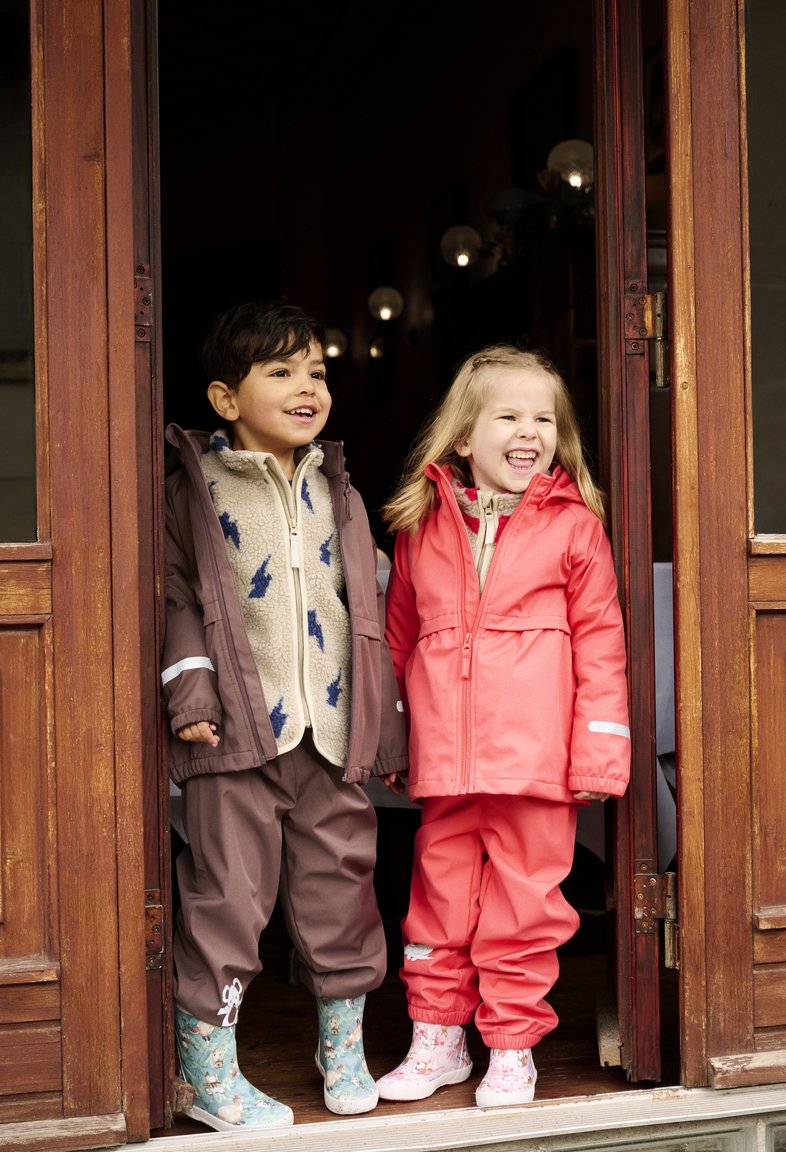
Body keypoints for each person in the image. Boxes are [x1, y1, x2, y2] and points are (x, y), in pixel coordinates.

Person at [161, 299, 407, 1132]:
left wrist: (388, 720)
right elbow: (176, 602)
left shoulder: (338, 491)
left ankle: (343, 1049)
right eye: (282, 371)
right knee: (229, 896)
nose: (308, 386)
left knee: (343, 890)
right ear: (226, 398)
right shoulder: (194, 491)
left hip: (328, 733)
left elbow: (368, 610)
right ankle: (209, 1069)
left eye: (319, 372)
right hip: (236, 732)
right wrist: (190, 695)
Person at [374, 344, 631, 1109]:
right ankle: (438, 1040)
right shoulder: (420, 528)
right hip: (449, 763)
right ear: (461, 436)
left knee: (526, 906)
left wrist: (597, 751)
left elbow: (602, 643)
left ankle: (512, 1047)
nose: (530, 432)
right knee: (436, 901)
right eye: (509, 416)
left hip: (536, 761)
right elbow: (399, 641)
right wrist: (395, 737)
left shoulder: (575, 529)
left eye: (544, 418)